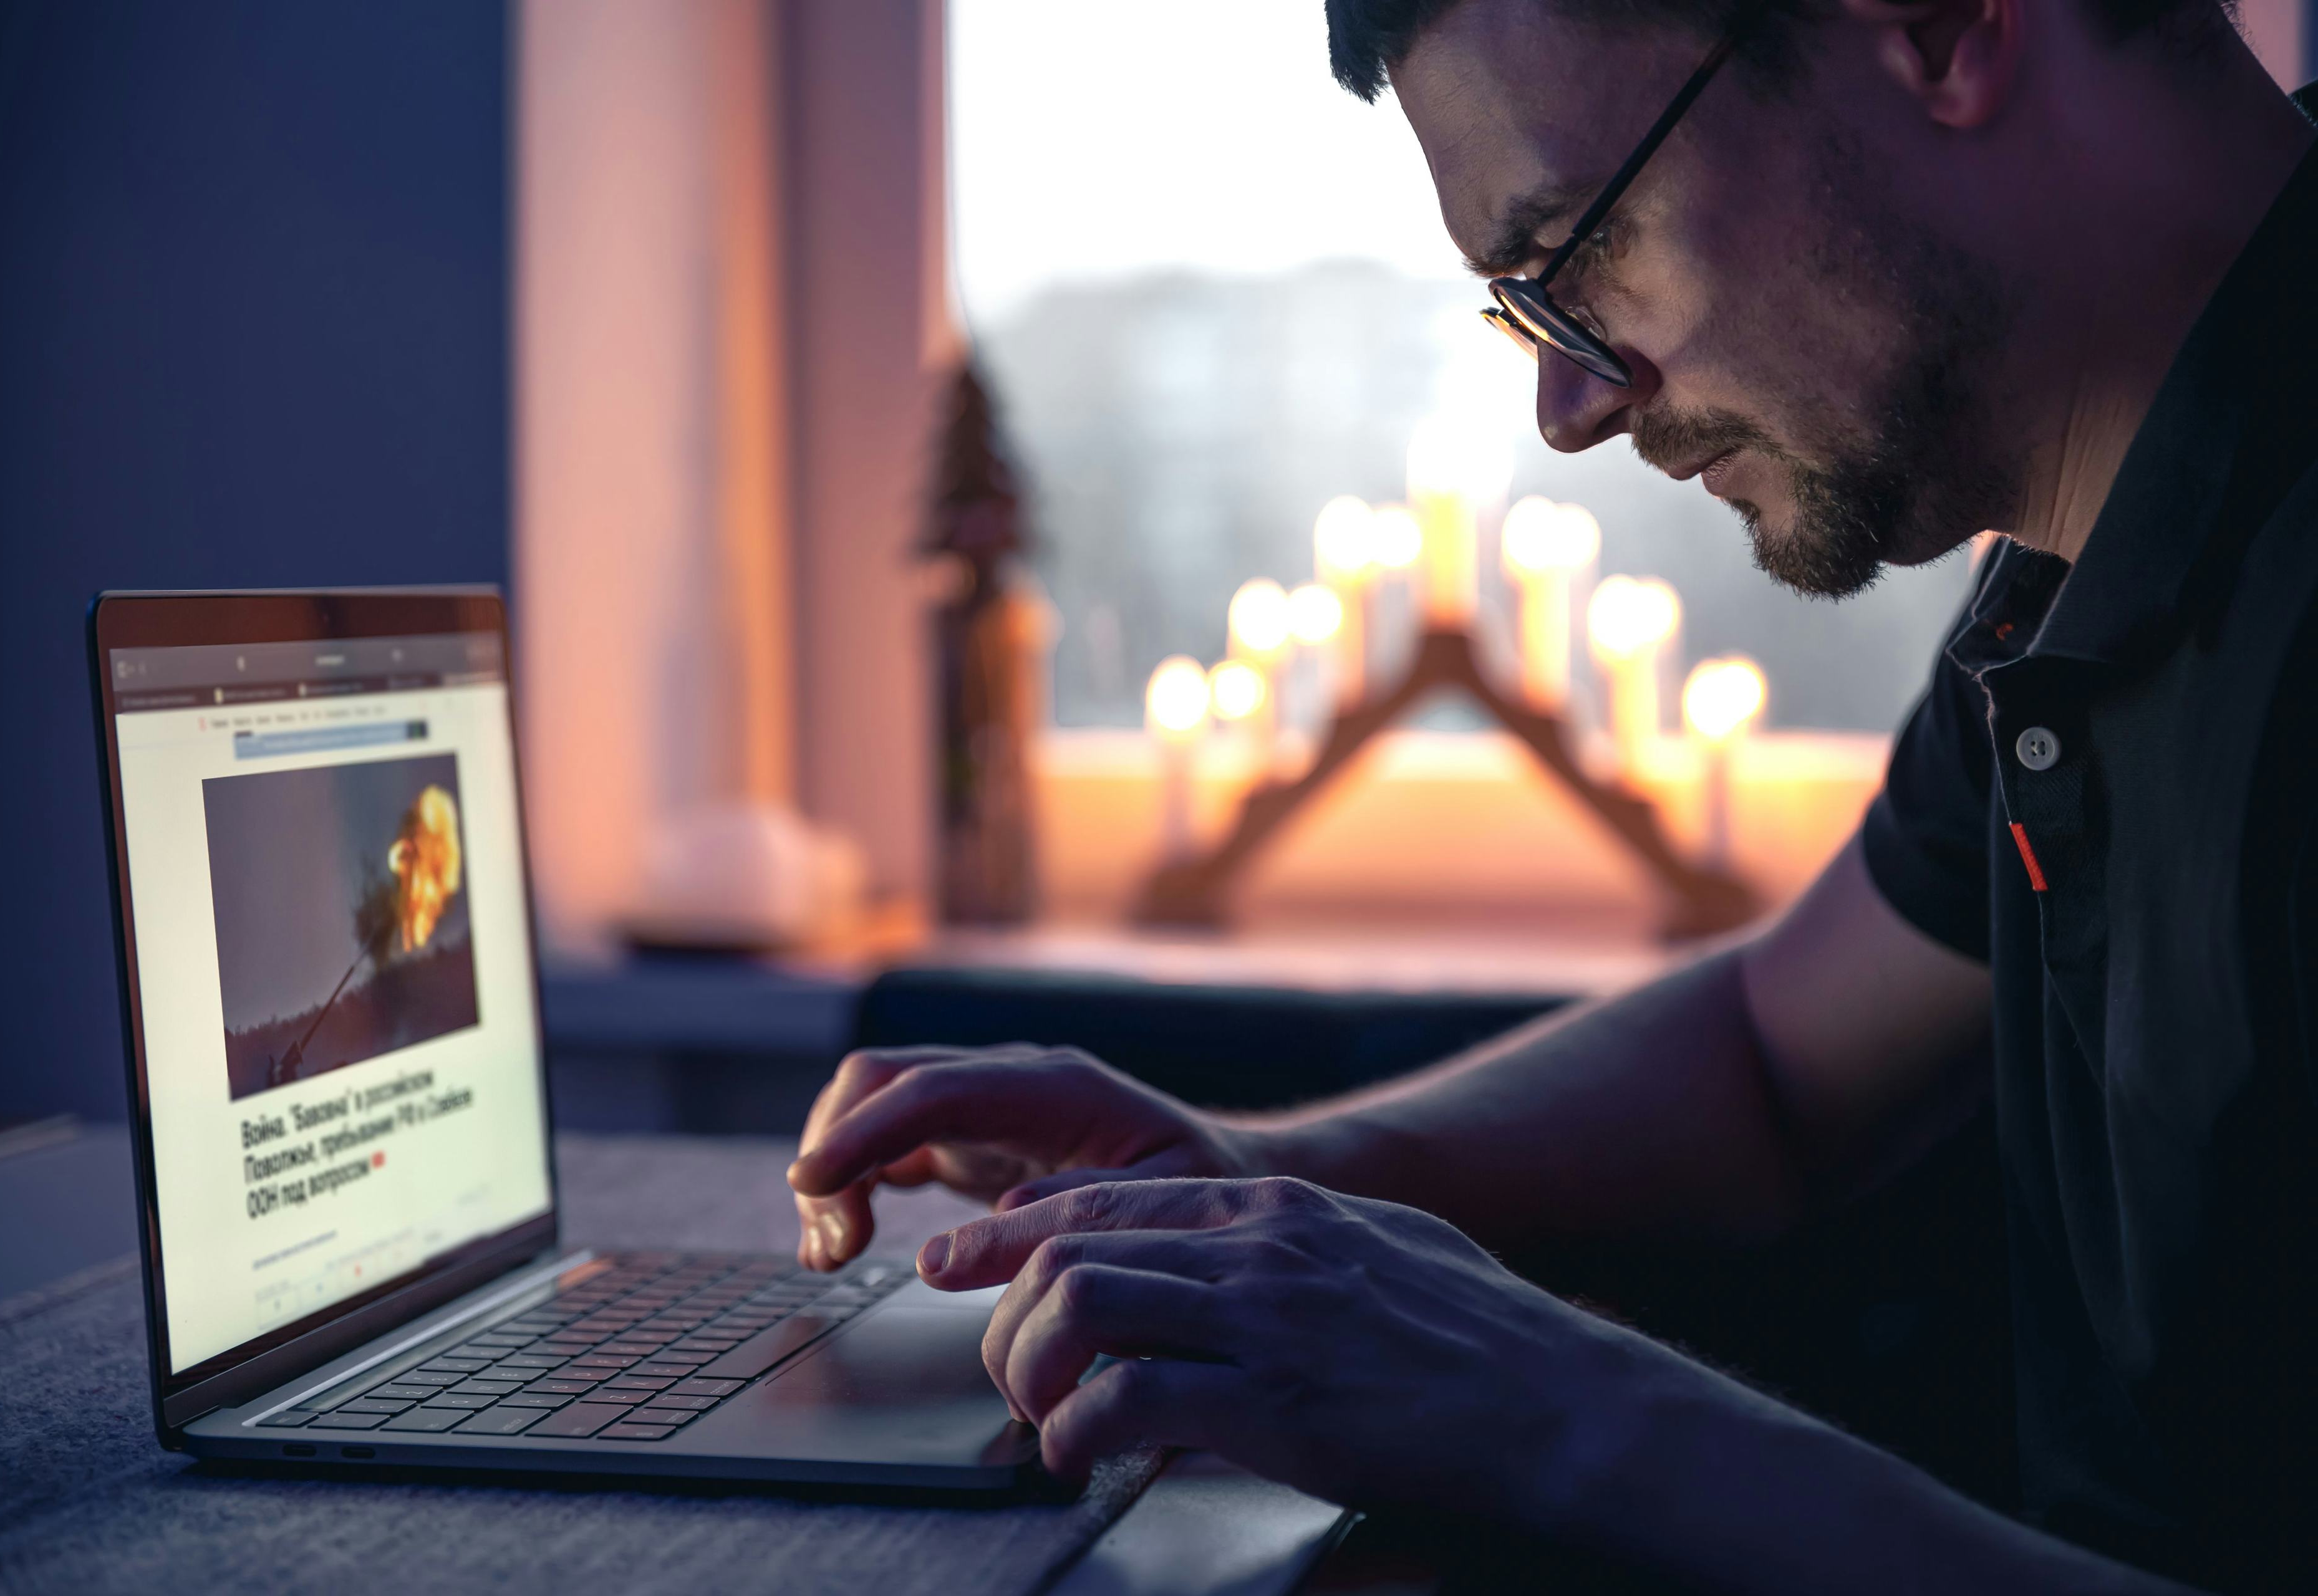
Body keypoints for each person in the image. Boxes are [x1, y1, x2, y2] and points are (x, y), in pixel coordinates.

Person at [786, 2, 2318, 1588]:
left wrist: (1562, 1411)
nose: (1573, 409)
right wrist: (1245, 1172)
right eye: (1530, 312)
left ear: (1934, 29)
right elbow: (1771, 1063)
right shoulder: (2083, 548)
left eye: (1580, 247)